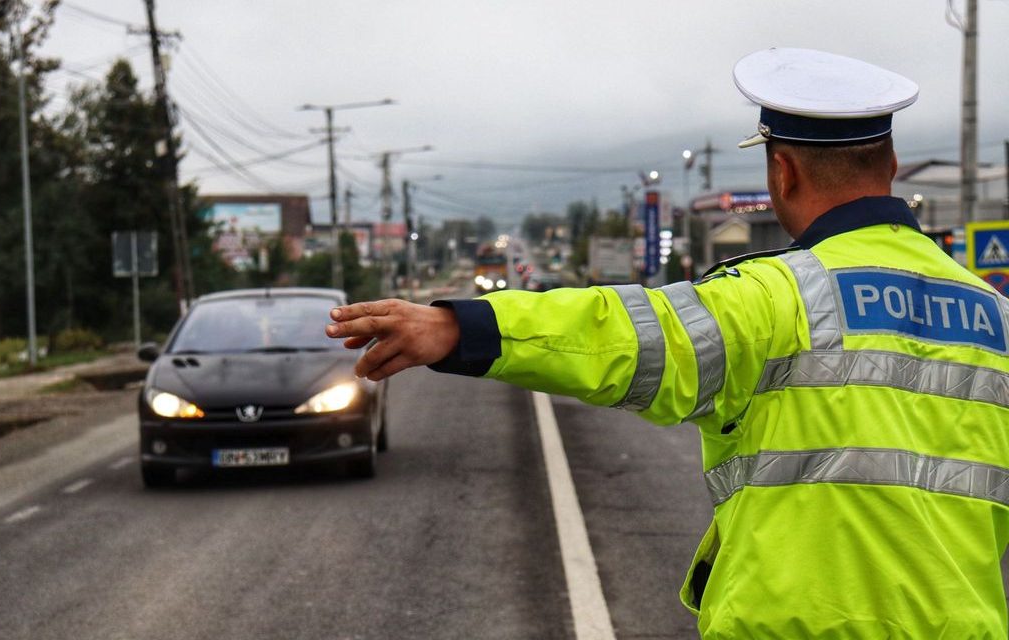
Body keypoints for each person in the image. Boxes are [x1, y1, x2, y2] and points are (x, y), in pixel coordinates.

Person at [327, 48, 1009, 638]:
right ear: (889, 162)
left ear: (782, 174)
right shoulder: (996, 318)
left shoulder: (776, 298)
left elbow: (624, 336)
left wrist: (461, 327)